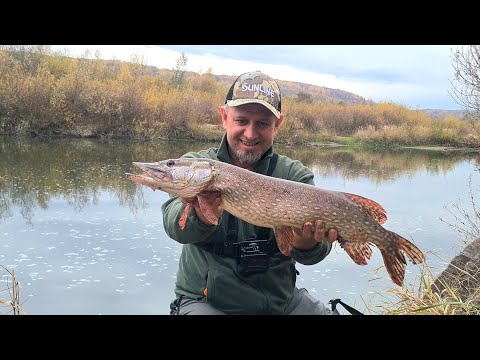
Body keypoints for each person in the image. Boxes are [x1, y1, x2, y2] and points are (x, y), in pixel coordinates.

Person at [162, 70, 340, 315]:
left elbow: (314, 255)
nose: (250, 133)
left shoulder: (294, 175)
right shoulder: (197, 165)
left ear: (277, 125)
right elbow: (174, 226)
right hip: (208, 302)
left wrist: (308, 244)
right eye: (242, 120)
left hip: (281, 303)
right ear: (224, 118)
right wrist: (201, 215)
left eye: (263, 123)